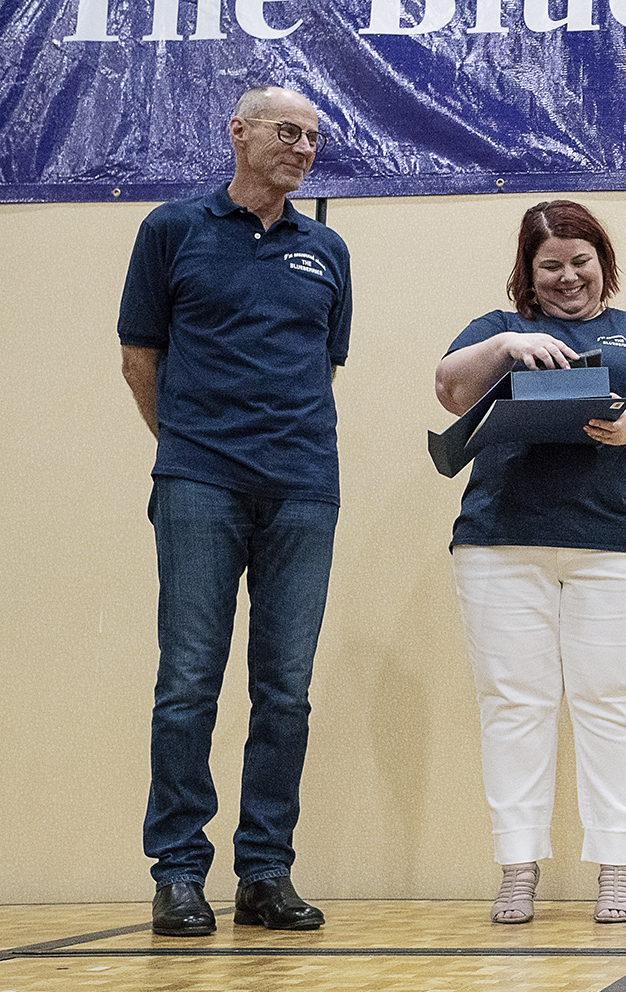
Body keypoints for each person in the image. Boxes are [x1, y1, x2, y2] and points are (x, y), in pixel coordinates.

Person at [434, 200, 626, 925]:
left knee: (614, 704)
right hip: (501, 543)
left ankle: (617, 869)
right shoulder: (497, 330)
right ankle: (517, 868)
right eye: (549, 265)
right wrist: (508, 350)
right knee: (513, 705)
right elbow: (449, 386)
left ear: (602, 262)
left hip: (623, 545)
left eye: (580, 262)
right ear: (527, 271)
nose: (566, 278)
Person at [118, 85, 351, 937]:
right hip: (198, 484)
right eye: (287, 131)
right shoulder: (171, 231)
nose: (303, 147)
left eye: (315, 137)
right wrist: (187, 450)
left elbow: (320, 370)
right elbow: (139, 359)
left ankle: (265, 873)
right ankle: (178, 873)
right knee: (187, 684)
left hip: (303, 490)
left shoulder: (327, 248)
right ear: (238, 133)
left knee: (285, 691)